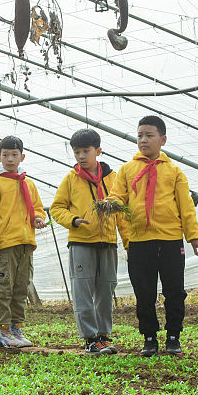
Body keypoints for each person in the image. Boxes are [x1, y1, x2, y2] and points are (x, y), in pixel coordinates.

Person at [107, 115, 198, 357]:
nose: (143, 140)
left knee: (174, 290)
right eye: (140, 136)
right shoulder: (128, 170)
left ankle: (173, 336)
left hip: (170, 240)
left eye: (149, 136)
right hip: (139, 241)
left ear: (162, 140)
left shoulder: (174, 171)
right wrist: (110, 204)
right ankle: (149, 338)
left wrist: (194, 236)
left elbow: (185, 205)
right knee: (144, 291)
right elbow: (117, 196)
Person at [49, 129, 127, 355]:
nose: (81, 156)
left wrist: (128, 242)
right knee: (82, 290)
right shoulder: (71, 179)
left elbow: (121, 211)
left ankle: (104, 336)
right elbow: (56, 208)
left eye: (86, 151)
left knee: (106, 289)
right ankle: (90, 339)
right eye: (77, 152)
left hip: (108, 242)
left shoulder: (113, 178)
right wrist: (73, 220)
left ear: (98, 151)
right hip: (81, 242)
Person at [0, 135, 46, 349]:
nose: (10, 159)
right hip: (4, 245)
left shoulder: (28, 183)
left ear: (22, 156)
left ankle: (16, 327)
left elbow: (37, 207)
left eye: (14, 155)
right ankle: (2, 330)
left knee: (21, 287)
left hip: (26, 243)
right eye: (6, 155)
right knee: (3, 288)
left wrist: (38, 218)